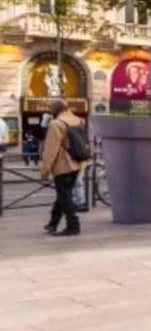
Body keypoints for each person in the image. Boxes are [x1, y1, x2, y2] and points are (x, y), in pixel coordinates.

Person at [40, 100, 85, 237]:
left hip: (63, 165)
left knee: (65, 196)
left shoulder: (56, 124)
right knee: (63, 195)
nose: (50, 111)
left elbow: (50, 150)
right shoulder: (79, 121)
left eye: (51, 108)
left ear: (56, 110)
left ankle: (73, 225)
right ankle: (53, 222)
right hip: (77, 163)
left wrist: (45, 171)